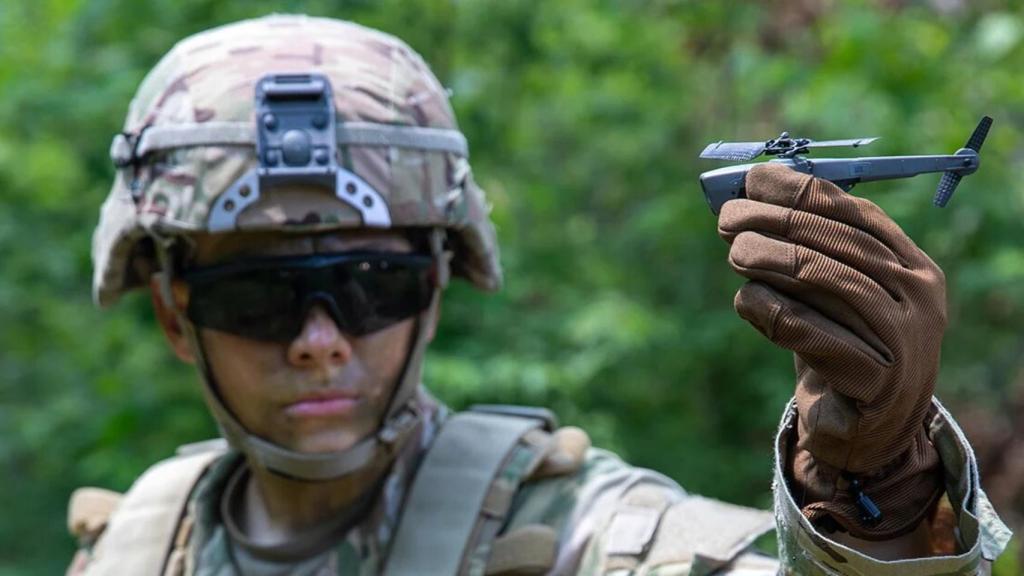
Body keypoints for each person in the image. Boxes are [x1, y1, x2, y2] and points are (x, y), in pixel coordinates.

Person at [67, 14, 1011, 576]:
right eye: (258, 298)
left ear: (435, 284)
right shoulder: (139, 546)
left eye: (370, 285)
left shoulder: (582, 537)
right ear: (172, 314)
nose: (319, 340)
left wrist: (870, 493)